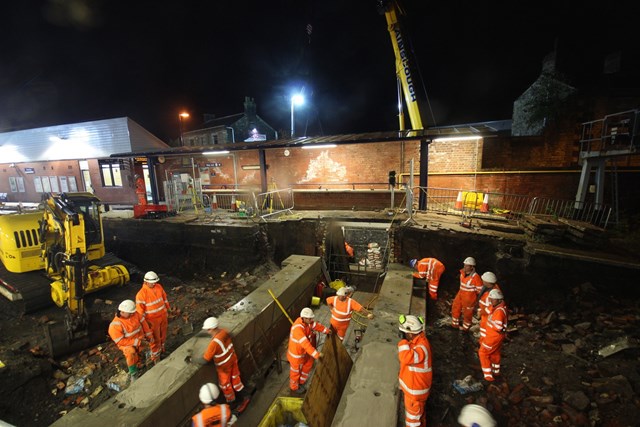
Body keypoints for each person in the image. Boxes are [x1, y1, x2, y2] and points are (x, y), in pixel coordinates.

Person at [200, 317, 250, 413]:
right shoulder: (223, 332)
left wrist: (192, 360)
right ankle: (245, 395)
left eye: (208, 330)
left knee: (226, 386)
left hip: (224, 367)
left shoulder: (214, 344)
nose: (207, 332)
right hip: (232, 359)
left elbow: (205, 360)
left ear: (212, 328)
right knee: (236, 380)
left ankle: (233, 403)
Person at [398, 314, 432, 427]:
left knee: (413, 422)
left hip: (414, 395)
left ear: (410, 333)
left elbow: (405, 357)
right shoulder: (418, 341)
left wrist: (403, 341)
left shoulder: (421, 348)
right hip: (416, 391)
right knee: (420, 416)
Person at [287, 307, 332, 394]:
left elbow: (316, 326)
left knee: (308, 364)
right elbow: (305, 344)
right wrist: (316, 354)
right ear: (304, 318)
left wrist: (326, 330)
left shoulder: (308, 322)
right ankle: (294, 387)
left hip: (304, 353)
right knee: (295, 372)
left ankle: (301, 382)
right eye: (310, 318)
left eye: (312, 318)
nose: (312, 320)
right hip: (296, 355)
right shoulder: (297, 329)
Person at [108, 299, 154, 381]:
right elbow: (120, 341)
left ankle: (141, 363)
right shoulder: (115, 325)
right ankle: (133, 373)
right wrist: (138, 342)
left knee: (145, 349)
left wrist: (149, 336)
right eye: (130, 313)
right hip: (126, 344)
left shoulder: (135, 314)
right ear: (122, 312)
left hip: (139, 338)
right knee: (131, 352)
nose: (133, 313)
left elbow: (144, 324)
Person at [135, 271, 170, 362]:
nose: (154, 283)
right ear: (146, 282)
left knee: (163, 335)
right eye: (152, 282)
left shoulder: (158, 287)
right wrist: (144, 325)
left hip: (162, 316)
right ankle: (155, 357)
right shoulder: (141, 294)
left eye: (155, 281)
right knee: (155, 339)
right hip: (152, 320)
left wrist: (168, 309)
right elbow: (140, 312)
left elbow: (164, 298)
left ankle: (162, 350)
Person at [478, 289, 508, 382]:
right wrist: (481, 311)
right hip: (496, 336)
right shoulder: (498, 305)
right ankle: (496, 371)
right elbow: (488, 309)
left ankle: (488, 376)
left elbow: (498, 327)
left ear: (499, 300)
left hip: (493, 336)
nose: (491, 300)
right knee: (495, 352)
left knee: (483, 352)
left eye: (493, 299)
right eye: (490, 298)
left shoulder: (499, 311)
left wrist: (489, 322)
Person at [451, 257, 483, 331]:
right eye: (464, 265)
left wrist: (477, 302)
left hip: (469, 298)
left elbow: (480, 291)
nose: (464, 267)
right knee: (455, 306)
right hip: (461, 293)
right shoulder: (462, 273)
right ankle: (454, 324)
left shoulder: (476, 277)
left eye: (467, 265)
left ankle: (466, 328)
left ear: (472, 267)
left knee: (467, 313)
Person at [476, 272, 502, 342]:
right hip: (484, 314)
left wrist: (480, 312)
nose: (482, 280)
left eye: (483, 280)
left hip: (487, 317)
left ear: (488, 282)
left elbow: (490, 308)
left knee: (484, 332)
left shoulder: (492, 295)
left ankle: (483, 347)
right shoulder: (491, 287)